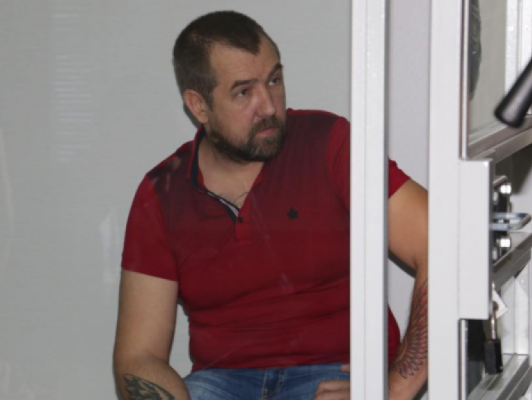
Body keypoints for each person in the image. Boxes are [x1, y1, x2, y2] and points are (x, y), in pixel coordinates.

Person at [113, 10, 428, 400]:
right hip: (223, 381)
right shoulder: (160, 194)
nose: (268, 106)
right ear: (199, 106)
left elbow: (441, 244)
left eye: (274, 80)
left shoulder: (330, 144)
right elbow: (139, 355)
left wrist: (393, 389)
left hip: (337, 371)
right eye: (243, 92)